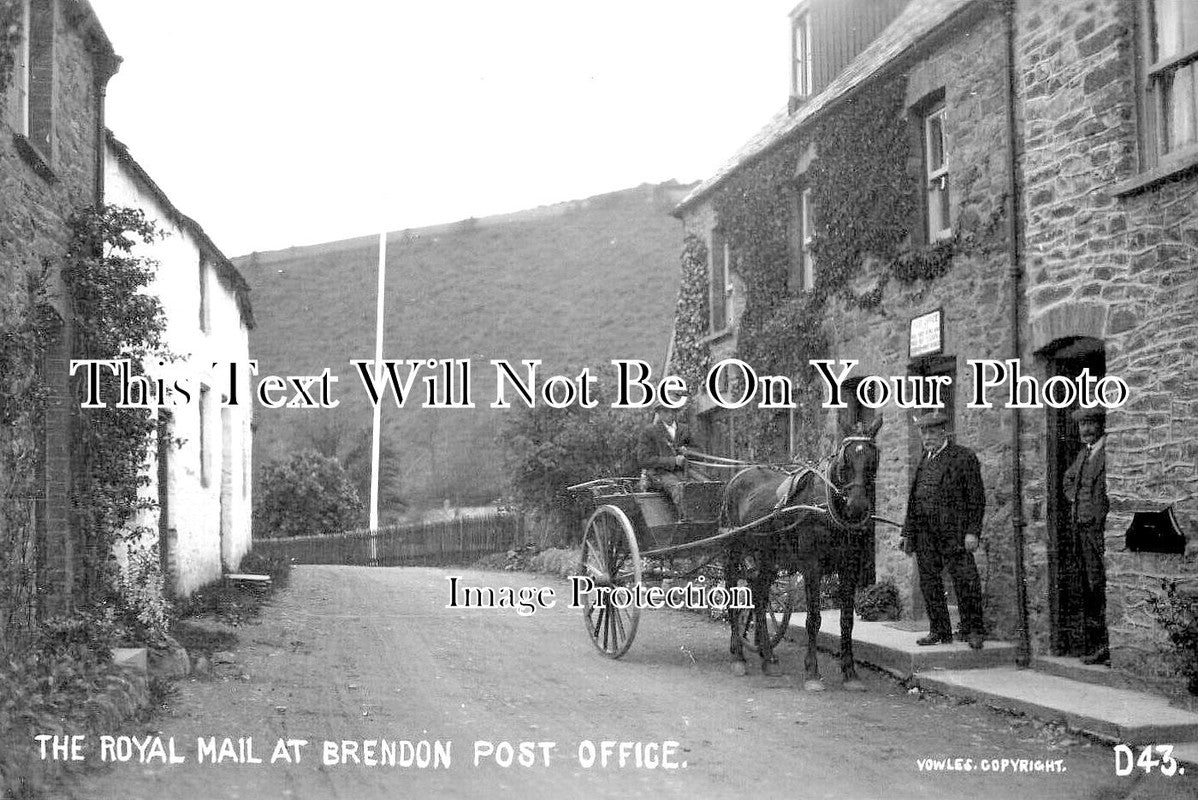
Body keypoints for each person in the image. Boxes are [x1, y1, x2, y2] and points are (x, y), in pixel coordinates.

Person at [900, 411, 987, 650]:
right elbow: (914, 499)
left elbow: (976, 498)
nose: (927, 437)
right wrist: (908, 533)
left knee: (965, 580)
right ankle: (939, 630)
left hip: (955, 533)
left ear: (943, 432)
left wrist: (973, 532)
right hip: (925, 534)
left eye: (931, 432)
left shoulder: (963, 457)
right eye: (923, 432)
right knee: (929, 582)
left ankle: (973, 630)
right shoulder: (924, 459)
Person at [1063, 406, 1109, 665]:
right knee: (1092, 586)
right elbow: (1068, 480)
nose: (1086, 429)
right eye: (1082, 425)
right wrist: (1075, 499)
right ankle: (1098, 644)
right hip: (1082, 529)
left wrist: (1097, 506)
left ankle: (1107, 647)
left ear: (1101, 425)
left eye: (1090, 424)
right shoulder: (1084, 454)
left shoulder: (1108, 451)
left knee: (1102, 585)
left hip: (1099, 529)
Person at [636, 399, 695, 508]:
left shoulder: (684, 429)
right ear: (659, 413)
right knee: (679, 488)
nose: (670, 414)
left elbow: (698, 451)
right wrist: (673, 461)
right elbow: (644, 460)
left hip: (685, 471)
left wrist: (688, 451)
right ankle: (686, 522)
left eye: (673, 411)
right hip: (659, 474)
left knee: (706, 484)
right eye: (666, 411)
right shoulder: (649, 432)